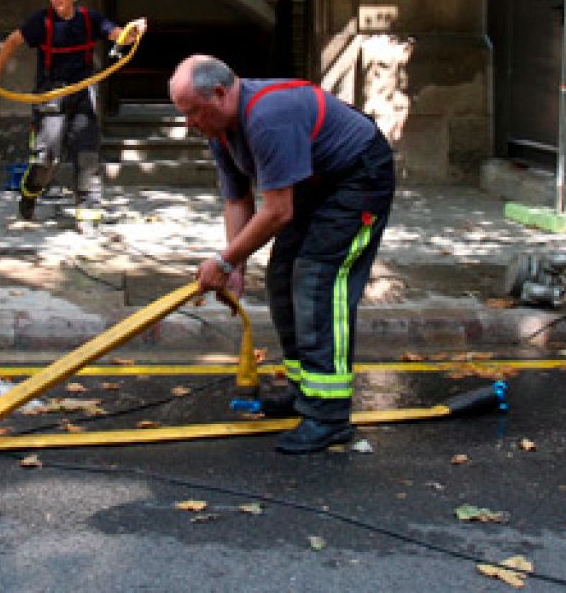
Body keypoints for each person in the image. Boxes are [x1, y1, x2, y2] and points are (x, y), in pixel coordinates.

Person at [168, 55, 396, 454]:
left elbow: (277, 212)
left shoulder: (267, 117)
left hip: (358, 177)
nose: (188, 123)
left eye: (192, 112)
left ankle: (329, 416)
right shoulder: (220, 130)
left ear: (219, 94)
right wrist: (235, 266)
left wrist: (222, 261)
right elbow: (237, 200)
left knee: (318, 281)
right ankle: (305, 393)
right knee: (281, 277)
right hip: (314, 182)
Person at [0, 0, 146, 221]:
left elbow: (119, 36)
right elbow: (12, 41)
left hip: (81, 92)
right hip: (50, 94)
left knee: (87, 151)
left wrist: (134, 30)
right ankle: (29, 193)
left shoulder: (89, 19)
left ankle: (88, 208)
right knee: (46, 158)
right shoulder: (41, 22)